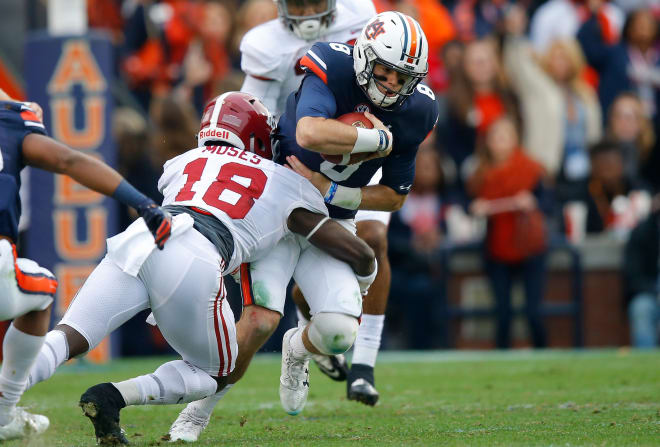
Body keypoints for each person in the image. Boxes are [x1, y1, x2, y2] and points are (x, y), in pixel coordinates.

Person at [23, 92, 377, 444]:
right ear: (257, 136)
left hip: (139, 239)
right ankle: (112, 396)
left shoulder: (181, 162)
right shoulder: (285, 182)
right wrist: (365, 267)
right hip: (195, 253)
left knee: (69, 336)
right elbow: (343, 244)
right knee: (213, 373)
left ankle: (6, 396)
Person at [168, 1, 379, 440]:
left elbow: (394, 190)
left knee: (340, 328)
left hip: (335, 196)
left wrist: (371, 146)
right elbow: (257, 111)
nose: (305, 10)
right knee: (259, 315)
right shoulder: (272, 49)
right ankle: (198, 411)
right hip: (280, 177)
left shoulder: (368, 37)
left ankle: (305, 349)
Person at [0, 89, 172, 441]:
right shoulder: (10, 121)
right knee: (44, 290)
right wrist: (143, 203)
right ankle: (3, 412)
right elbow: (69, 161)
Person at [467, 116, 551, 349]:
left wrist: (532, 202)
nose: (500, 143)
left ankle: (542, 353)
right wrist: (475, 207)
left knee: (533, 311)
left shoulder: (531, 169)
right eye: (495, 137)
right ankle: (501, 356)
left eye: (505, 136)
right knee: (502, 313)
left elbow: (548, 203)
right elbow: (466, 201)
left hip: (529, 246)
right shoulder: (480, 173)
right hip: (496, 247)